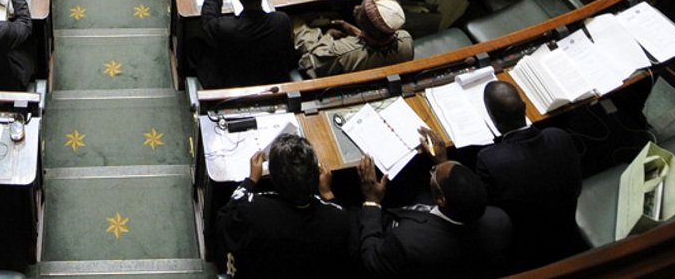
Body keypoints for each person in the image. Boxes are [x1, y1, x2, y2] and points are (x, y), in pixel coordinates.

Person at [464, 80, 584, 269]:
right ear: (525, 107)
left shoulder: (490, 160)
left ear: (493, 118)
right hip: (567, 229)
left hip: (525, 246)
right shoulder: (559, 136)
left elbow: (490, 208)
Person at [218, 132, 349, 279]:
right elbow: (337, 213)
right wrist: (327, 192)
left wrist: (251, 180)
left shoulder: (251, 210)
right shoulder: (339, 219)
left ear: (273, 178)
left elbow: (224, 218)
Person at [352, 153, 510, 275]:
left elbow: (371, 259)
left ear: (441, 201)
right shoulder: (500, 220)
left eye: (434, 172)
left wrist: (372, 201)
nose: (434, 170)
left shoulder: (407, 242)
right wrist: (442, 161)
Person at [196, 0, 296, 88]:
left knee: (195, 45)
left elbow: (208, 20)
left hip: (232, 84)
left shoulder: (226, 28)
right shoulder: (281, 21)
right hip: (272, 81)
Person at [294, 0, 414, 77]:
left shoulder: (339, 53)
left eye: (362, 11)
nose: (357, 8)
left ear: (366, 25)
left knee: (296, 24)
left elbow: (308, 63)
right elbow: (379, 40)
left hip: (335, 79)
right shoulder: (406, 39)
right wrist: (355, 31)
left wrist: (328, 36)